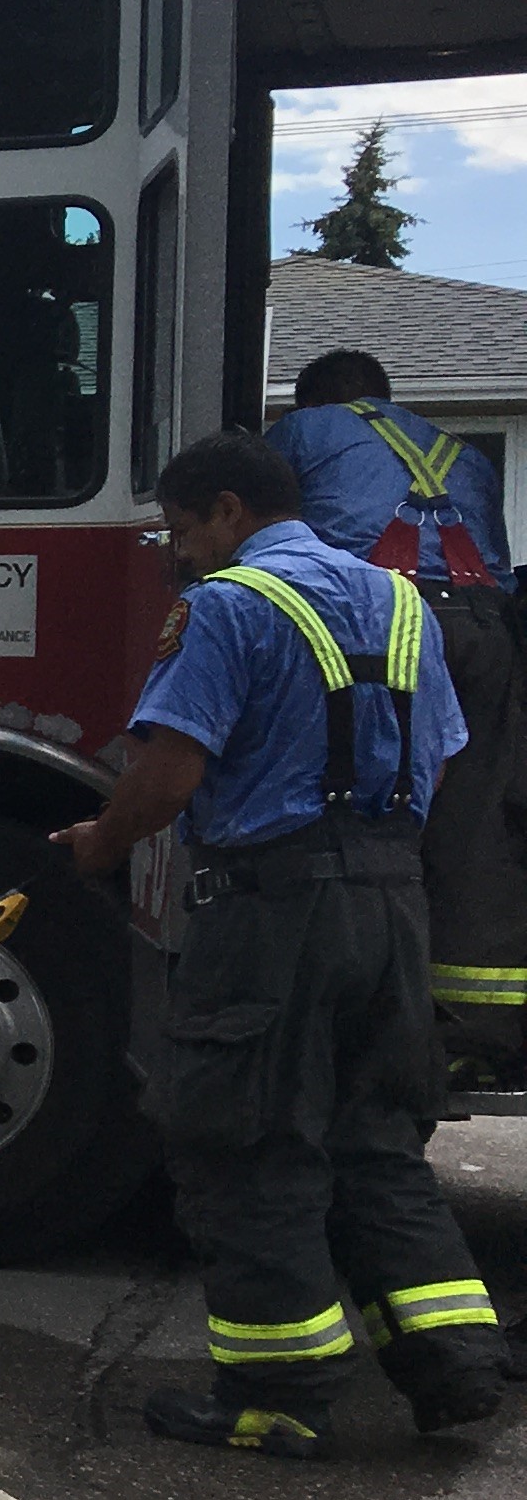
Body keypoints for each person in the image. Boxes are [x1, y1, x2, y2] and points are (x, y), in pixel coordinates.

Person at [54, 429, 509, 1458]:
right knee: (377, 1140)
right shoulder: (402, 605)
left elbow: (169, 779)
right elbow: (437, 763)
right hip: (393, 903)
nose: (179, 553)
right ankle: (454, 1366)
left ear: (227, 510)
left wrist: (99, 843)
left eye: (181, 530)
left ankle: (274, 1399)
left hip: (271, 910)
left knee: (249, 1145)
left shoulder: (225, 609)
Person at [274, 346, 527, 1084]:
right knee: (474, 829)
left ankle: (353, 1018)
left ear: (310, 402)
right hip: (484, 630)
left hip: (384, 627)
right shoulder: (463, 454)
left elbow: (248, 521)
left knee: (361, 814)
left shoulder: (305, 433)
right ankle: (471, 1032)